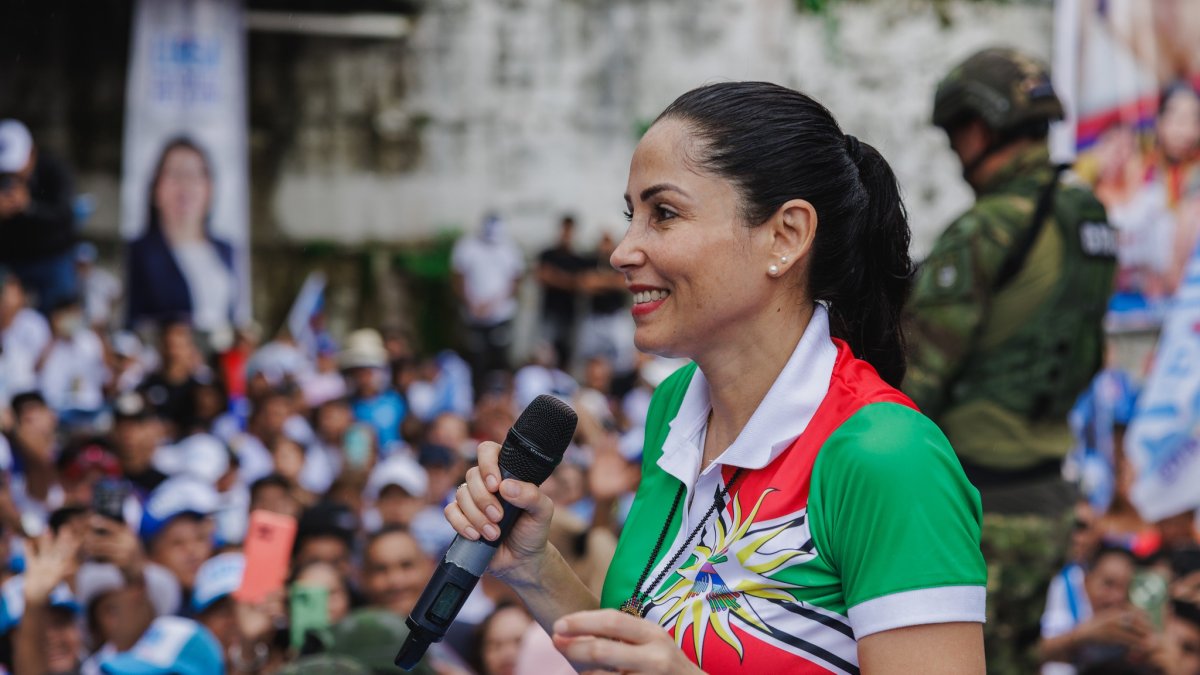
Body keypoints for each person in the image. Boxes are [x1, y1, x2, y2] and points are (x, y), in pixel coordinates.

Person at [446, 81, 986, 673]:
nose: (624, 250)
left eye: (665, 214)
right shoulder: (675, 406)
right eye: (633, 216)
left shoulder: (888, 456)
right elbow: (636, 655)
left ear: (785, 236)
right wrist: (534, 568)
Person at [904, 48, 1118, 675]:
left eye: (954, 135)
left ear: (979, 128)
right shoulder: (1086, 218)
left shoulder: (988, 229)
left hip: (979, 507)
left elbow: (915, 385)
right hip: (1047, 501)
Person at [126, 137, 238, 336]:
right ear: (155, 188)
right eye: (175, 175)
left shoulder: (226, 249)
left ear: (209, 188)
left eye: (195, 175)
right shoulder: (141, 252)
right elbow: (133, 319)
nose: (185, 186)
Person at [0, 119, 78, 314]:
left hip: (52, 258)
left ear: (32, 154)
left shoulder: (54, 170)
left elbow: (65, 215)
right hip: (11, 260)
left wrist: (30, 207)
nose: (12, 176)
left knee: (62, 312)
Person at [450, 213, 525, 391]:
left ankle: (501, 400)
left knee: (500, 360)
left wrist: (493, 304)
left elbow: (516, 280)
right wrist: (471, 302)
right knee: (475, 359)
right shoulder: (467, 246)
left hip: (500, 315)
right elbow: (458, 277)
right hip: (474, 316)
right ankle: (477, 397)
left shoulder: (509, 247)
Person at [536, 215, 588, 369]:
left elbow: (583, 283)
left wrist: (556, 277)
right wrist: (570, 280)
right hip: (550, 312)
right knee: (544, 353)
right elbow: (542, 276)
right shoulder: (548, 254)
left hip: (569, 314)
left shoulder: (578, 258)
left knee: (566, 355)